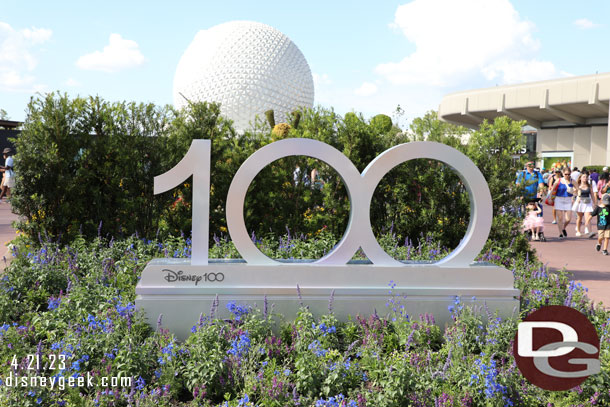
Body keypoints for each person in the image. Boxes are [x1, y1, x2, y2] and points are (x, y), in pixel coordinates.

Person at [554, 168, 574, 238]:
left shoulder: (572, 181)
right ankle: (560, 233)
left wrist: (576, 195)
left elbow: (578, 189)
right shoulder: (559, 180)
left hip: (568, 200)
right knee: (560, 218)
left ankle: (563, 228)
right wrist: (550, 197)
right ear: (563, 173)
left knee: (568, 219)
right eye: (566, 174)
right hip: (559, 199)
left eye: (569, 174)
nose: (567, 176)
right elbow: (553, 189)